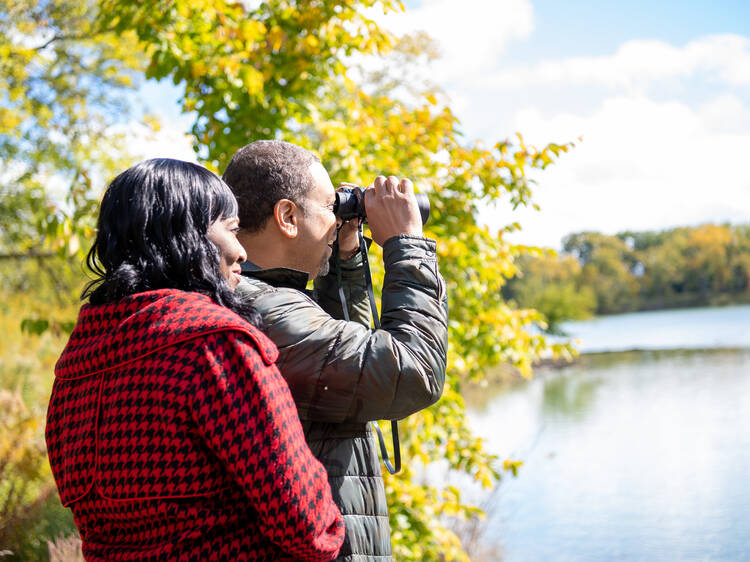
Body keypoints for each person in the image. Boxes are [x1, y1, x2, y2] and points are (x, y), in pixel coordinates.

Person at [45, 158, 345, 561]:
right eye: (231, 230)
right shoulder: (215, 346)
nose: (241, 251)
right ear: (188, 237)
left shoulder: (75, 367)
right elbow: (307, 525)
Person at [223, 140, 448, 561]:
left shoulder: (260, 297)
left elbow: (344, 357)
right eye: (331, 207)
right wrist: (408, 244)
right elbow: (412, 373)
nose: (337, 219)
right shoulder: (264, 308)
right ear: (288, 217)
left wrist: (345, 256)